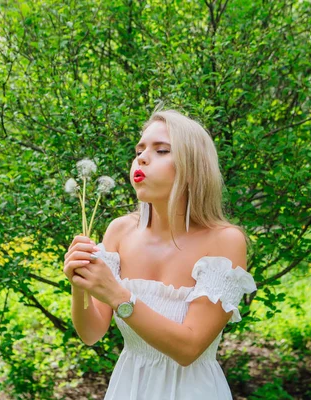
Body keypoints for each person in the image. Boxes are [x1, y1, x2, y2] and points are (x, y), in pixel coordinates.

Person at [63, 109, 257, 400]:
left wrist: (117, 294)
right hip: (129, 388)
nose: (141, 158)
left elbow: (189, 349)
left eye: (162, 150)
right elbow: (91, 333)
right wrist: (80, 285)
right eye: (139, 150)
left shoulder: (224, 241)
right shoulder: (119, 232)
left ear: (193, 166)